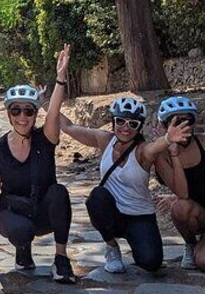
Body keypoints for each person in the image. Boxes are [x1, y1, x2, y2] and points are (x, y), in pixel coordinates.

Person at [0, 44, 77, 284]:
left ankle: (60, 258)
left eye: (28, 111)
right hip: (12, 211)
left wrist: (60, 78)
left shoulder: (45, 139)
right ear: (9, 113)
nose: (22, 117)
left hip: (41, 208)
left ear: (35, 114)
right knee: (21, 231)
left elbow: (54, 113)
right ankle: (23, 251)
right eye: (16, 111)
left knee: (59, 192)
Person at [60, 97, 190, 274]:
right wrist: (45, 103)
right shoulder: (104, 139)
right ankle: (112, 247)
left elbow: (154, 148)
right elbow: (68, 127)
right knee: (97, 197)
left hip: (139, 216)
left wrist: (167, 139)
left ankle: (136, 241)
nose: (125, 128)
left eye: (133, 124)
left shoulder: (143, 150)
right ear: (113, 121)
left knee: (151, 263)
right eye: (120, 121)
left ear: (140, 127)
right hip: (112, 213)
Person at [154, 96, 205, 272]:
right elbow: (182, 194)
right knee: (180, 207)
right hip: (197, 213)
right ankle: (190, 244)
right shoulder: (161, 156)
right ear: (163, 126)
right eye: (175, 121)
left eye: (188, 120)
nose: (183, 127)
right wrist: (173, 153)